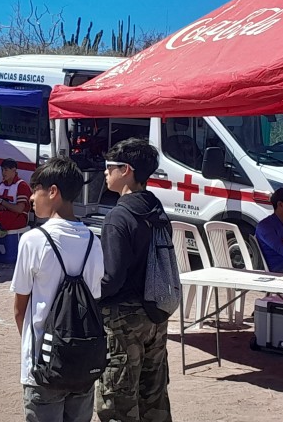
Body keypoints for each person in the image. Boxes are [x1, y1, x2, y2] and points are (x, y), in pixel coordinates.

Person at [11, 157, 105, 422]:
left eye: (35, 190)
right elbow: (94, 301)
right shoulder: (93, 241)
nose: (31, 198)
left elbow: (20, 309)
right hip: (84, 363)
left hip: (44, 365)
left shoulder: (33, 240)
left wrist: (34, 348)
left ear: (53, 192)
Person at [97, 138, 173, 422]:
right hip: (155, 313)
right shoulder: (156, 208)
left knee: (117, 401)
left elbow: (112, 277)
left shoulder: (118, 217)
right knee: (154, 396)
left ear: (125, 170)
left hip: (122, 321)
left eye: (109, 167)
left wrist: (90, 298)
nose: (105, 172)